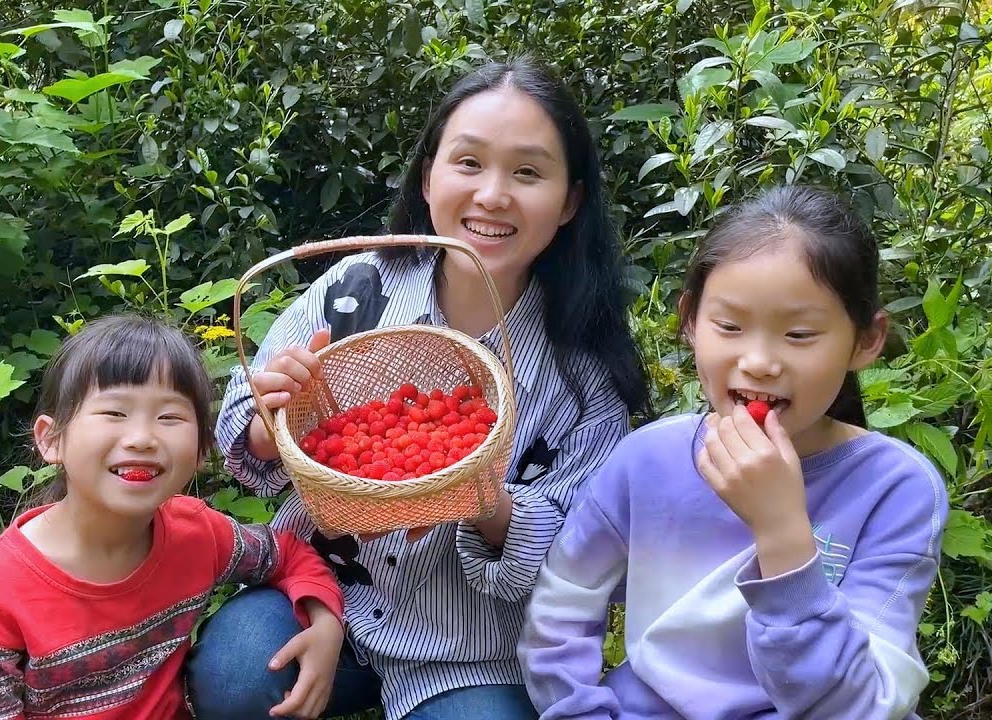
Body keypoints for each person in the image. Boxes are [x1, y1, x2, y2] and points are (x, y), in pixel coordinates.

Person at [187, 56, 651, 720]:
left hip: (467, 651)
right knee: (238, 676)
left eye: (527, 172)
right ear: (429, 174)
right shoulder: (354, 292)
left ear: (571, 201)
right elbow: (248, 437)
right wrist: (271, 421)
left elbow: (582, 556)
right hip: (321, 593)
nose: (492, 195)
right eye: (468, 163)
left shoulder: (581, 372)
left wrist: (490, 504)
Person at [518, 185, 947, 719]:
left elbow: (860, 708)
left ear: (866, 340)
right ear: (692, 321)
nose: (760, 361)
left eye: (799, 333)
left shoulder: (896, 489)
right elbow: (561, 608)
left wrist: (784, 536)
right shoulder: (646, 461)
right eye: (730, 326)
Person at [0, 314, 345, 720]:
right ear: (51, 439)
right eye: (114, 413)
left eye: (169, 418)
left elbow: (287, 554)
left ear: (203, 450)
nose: (142, 438)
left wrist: (326, 623)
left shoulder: (197, 534)